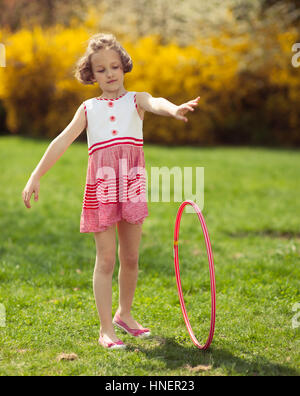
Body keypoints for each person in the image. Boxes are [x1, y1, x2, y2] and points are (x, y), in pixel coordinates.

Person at [22, 32, 200, 350]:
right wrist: (36, 175)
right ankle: (106, 329)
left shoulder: (136, 100)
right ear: (91, 74)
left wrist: (173, 110)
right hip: (102, 186)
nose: (110, 74)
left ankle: (125, 315)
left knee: (130, 256)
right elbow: (61, 141)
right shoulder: (89, 108)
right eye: (101, 69)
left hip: (131, 183)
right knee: (106, 259)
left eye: (115, 66)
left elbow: (155, 102)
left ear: (124, 67)